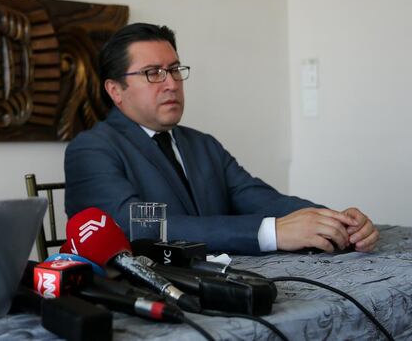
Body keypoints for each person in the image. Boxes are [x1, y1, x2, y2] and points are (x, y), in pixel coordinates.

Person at [64, 23, 378, 255]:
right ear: (115, 90)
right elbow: (134, 228)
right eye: (153, 73)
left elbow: (260, 199)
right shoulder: (92, 149)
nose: (171, 83)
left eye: (174, 70)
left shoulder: (202, 144)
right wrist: (271, 232)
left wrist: (334, 221)